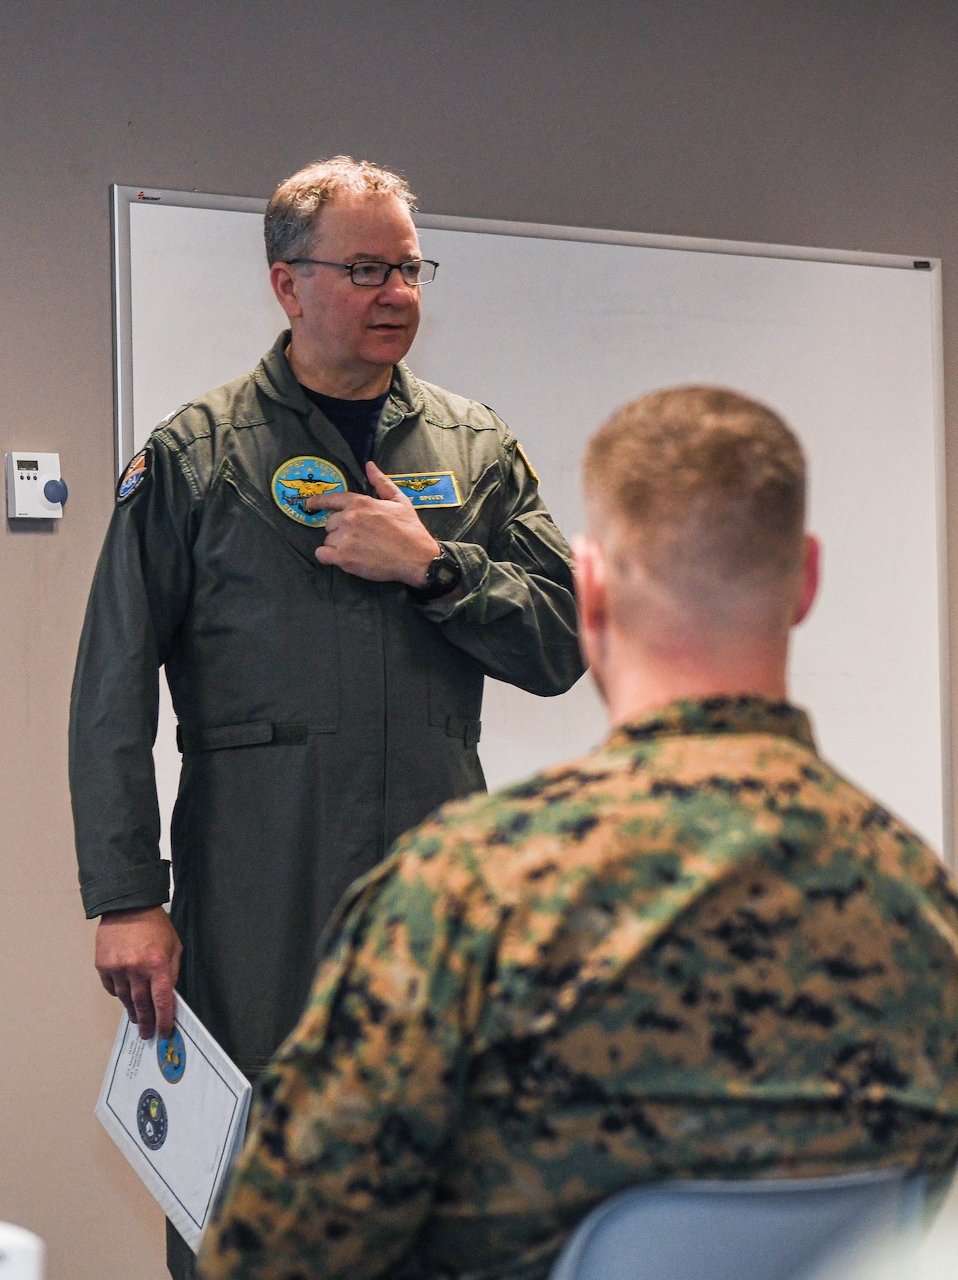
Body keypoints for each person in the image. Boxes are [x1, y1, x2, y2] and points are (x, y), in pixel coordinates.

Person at [197, 386, 958, 1280]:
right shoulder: (920, 903)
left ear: (587, 589)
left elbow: (275, 1256)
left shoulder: (463, 894)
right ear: (807, 581)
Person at [69, 157, 583, 1277]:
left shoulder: (473, 447)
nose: (397, 290)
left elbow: (562, 643)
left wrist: (438, 567)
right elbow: (111, 686)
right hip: (258, 879)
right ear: (287, 284)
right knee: (245, 1186)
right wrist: (124, 896)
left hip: (437, 880)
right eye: (365, 267)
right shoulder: (196, 456)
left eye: (407, 265)